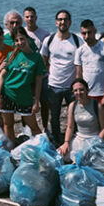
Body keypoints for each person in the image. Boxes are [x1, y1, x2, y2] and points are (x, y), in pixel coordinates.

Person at [0, 27, 45, 142]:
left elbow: (38, 81)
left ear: (27, 38)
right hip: (7, 94)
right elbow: (2, 75)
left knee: (34, 127)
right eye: (17, 40)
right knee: (8, 124)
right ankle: (10, 150)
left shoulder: (37, 58)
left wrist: (36, 101)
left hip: (24, 96)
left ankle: (42, 149)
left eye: (22, 39)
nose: (20, 43)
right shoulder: (11, 55)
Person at [41, 10, 80, 144]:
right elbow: (43, 60)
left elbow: (80, 62)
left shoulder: (76, 40)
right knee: (55, 116)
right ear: (56, 22)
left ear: (70, 22)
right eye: (60, 19)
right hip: (54, 85)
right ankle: (57, 140)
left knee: (74, 115)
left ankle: (74, 140)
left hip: (72, 87)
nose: (62, 22)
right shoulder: (49, 40)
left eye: (65, 19)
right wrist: (50, 74)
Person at [57, 78, 104, 162]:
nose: (78, 93)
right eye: (75, 90)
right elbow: (70, 127)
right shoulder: (72, 106)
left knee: (87, 160)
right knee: (59, 154)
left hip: (94, 139)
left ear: (87, 90)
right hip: (79, 138)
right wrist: (66, 142)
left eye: (81, 90)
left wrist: (97, 142)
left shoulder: (97, 105)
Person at [74, 20, 104, 104]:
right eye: (84, 33)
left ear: (95, 31)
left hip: (101, 93)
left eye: (89, 32)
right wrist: (80, 94)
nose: (87, 36)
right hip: (86, 94)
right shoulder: (80, 51)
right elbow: (79, 74)